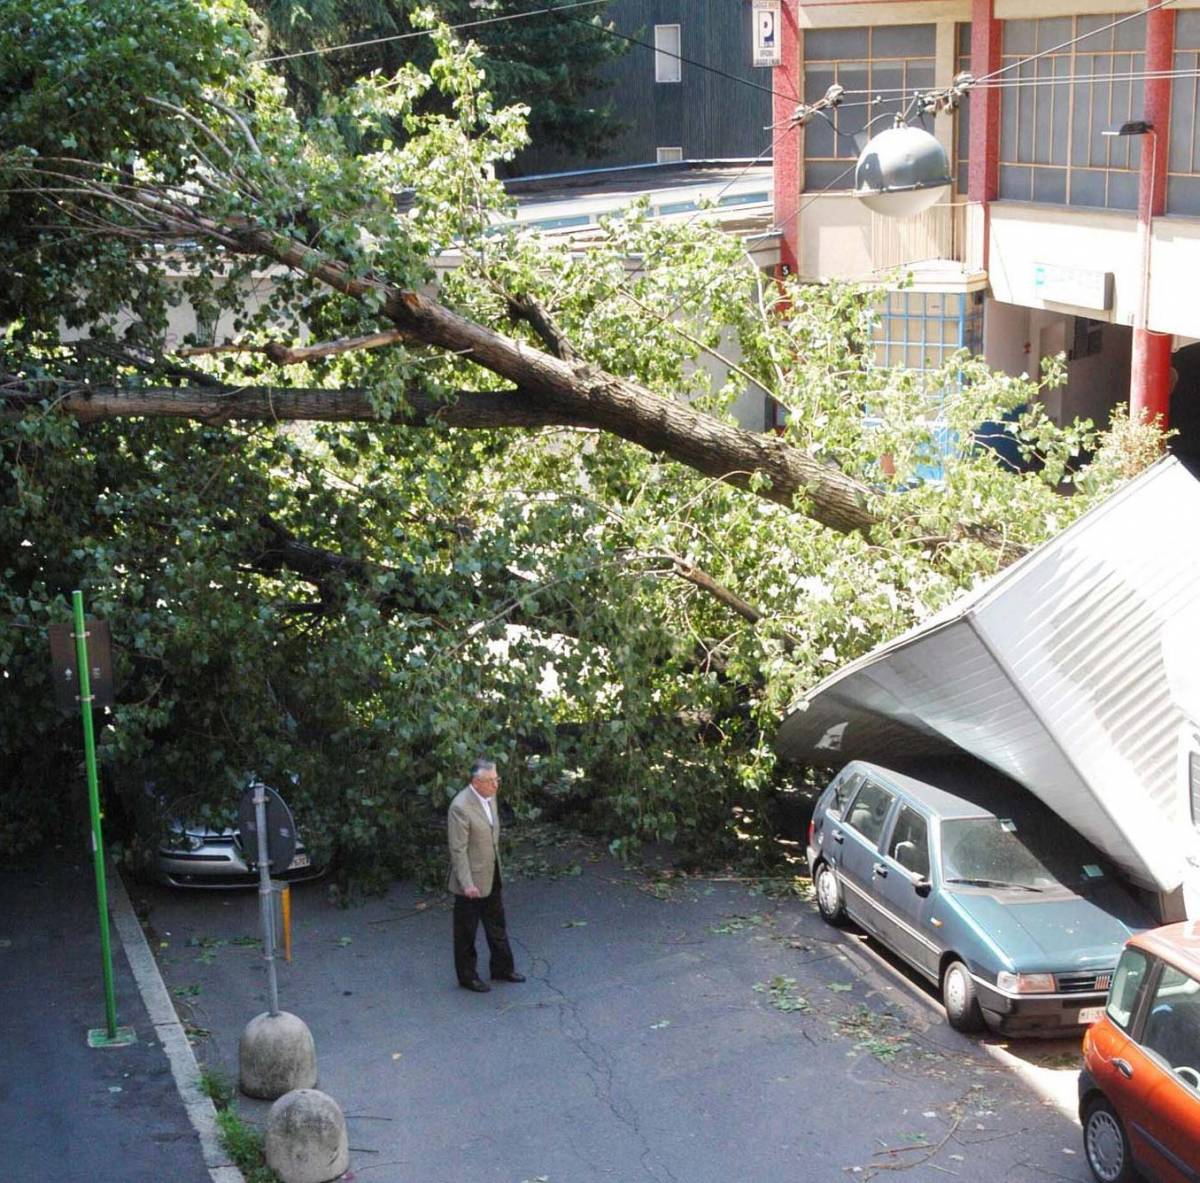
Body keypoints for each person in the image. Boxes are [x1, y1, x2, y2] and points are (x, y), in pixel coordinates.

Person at [447, 758, 525, 992]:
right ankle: (467, 977)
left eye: (497, 779)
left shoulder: (489, 797)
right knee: (466, 932)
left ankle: (502, 968)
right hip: (470, 881)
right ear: (476, 781)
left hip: (492, 874)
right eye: (491, 781)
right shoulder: (460, 807)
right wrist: (467, 883)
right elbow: (458, 850)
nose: (496, 785)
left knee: (497, 924)